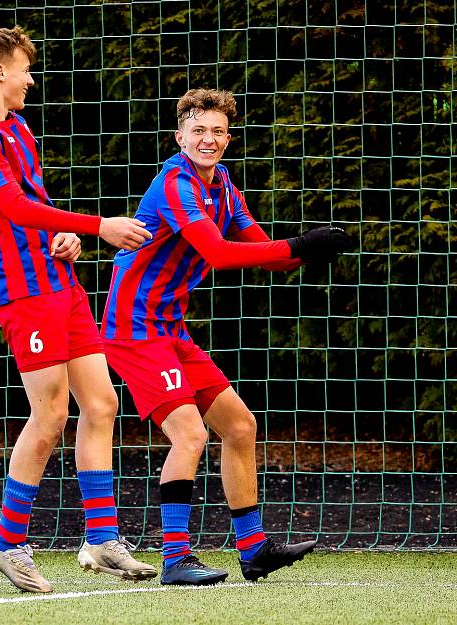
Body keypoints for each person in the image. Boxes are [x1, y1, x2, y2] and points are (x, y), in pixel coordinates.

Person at [101, 88, 354, 585]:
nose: (208, 139)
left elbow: (263, 249)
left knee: (239, 426)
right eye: (198, 130)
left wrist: (311, 250)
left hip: (170, 329)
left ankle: (254, 550)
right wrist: (300, 244)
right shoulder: (175, 183)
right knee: (190, 434)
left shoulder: (223, 186)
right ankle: (176, 559)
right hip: (134, 330)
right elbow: (217, 253)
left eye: (217, 131)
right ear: (180, 137)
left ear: (228, 138)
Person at [0, 26, 157, 593]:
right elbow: (11, 207)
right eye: (24, 69)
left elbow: (35, 209)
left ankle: (101, 539)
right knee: (50, 416)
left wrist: (69, 240)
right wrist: (98, 226)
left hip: (59, 282)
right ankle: (7, 543)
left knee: (102, 401)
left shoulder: (17, 128)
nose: (30, 80)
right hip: (24, 291)